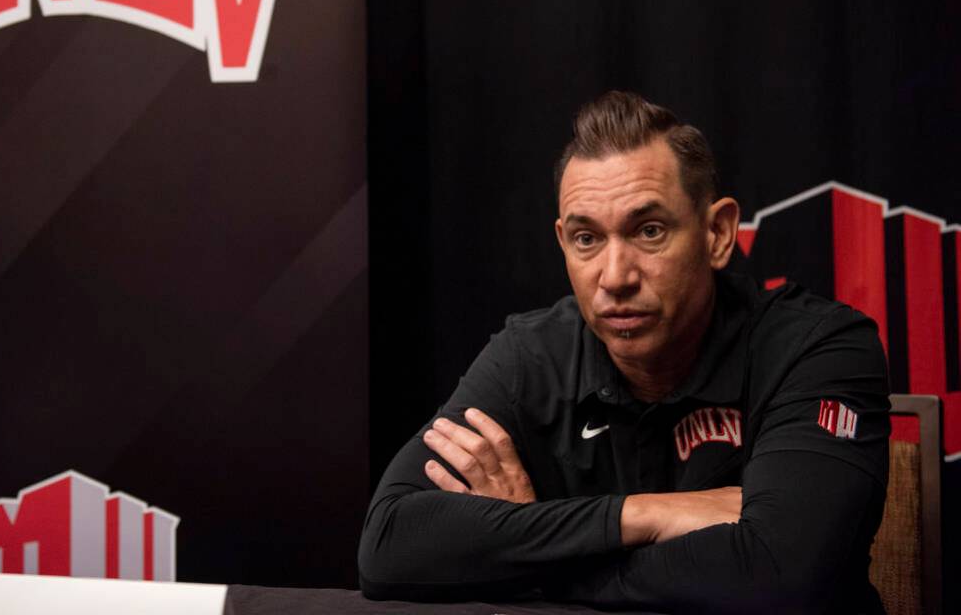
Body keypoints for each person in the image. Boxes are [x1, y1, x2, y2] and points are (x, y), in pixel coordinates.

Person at [358, 91, 890, 614]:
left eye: (649, 231)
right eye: (587, 239)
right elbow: (389, 548)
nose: (615, 278)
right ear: (563, 242)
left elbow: (780, 574)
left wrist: (531, 551)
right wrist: (648, 515)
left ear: (718, 233)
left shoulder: (819, 347)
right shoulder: (531, 355)